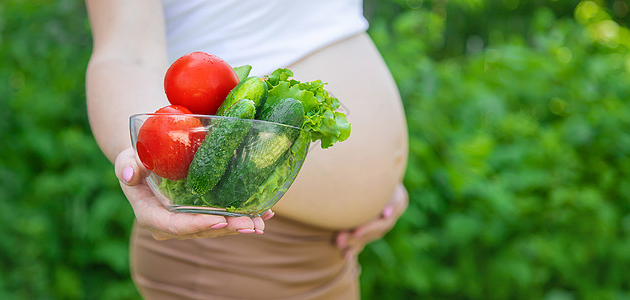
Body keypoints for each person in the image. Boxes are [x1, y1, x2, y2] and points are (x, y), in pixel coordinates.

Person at [84, 0, 409, 299]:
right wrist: (137, 156)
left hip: (334, 254)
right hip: (229, 251)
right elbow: (125, 54)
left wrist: (376, 182)